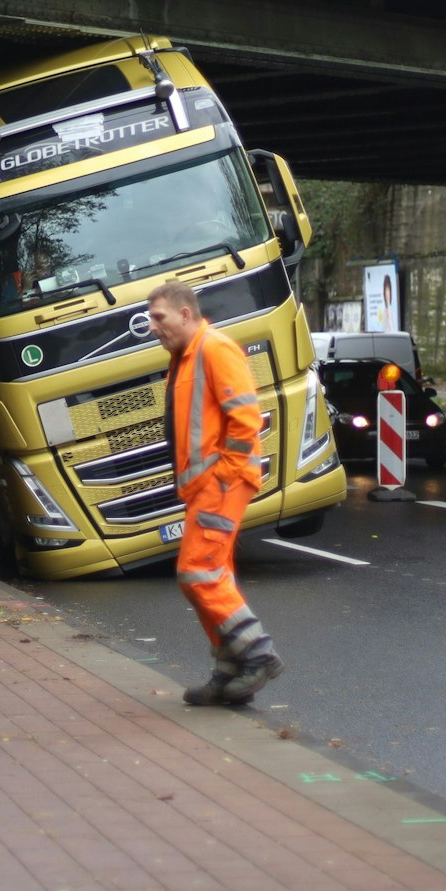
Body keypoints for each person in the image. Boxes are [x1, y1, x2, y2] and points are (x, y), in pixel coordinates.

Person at [146, 280, 284, 706]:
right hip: (206, 485)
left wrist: (223, 477)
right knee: (206, 576)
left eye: (159, 318)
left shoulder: (213, 348)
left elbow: (246, 420)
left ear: (185, 314)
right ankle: (229, 670)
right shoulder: (185, 356)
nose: (152, 327)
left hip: (221, 483)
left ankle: (257, 655)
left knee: (197, 572)